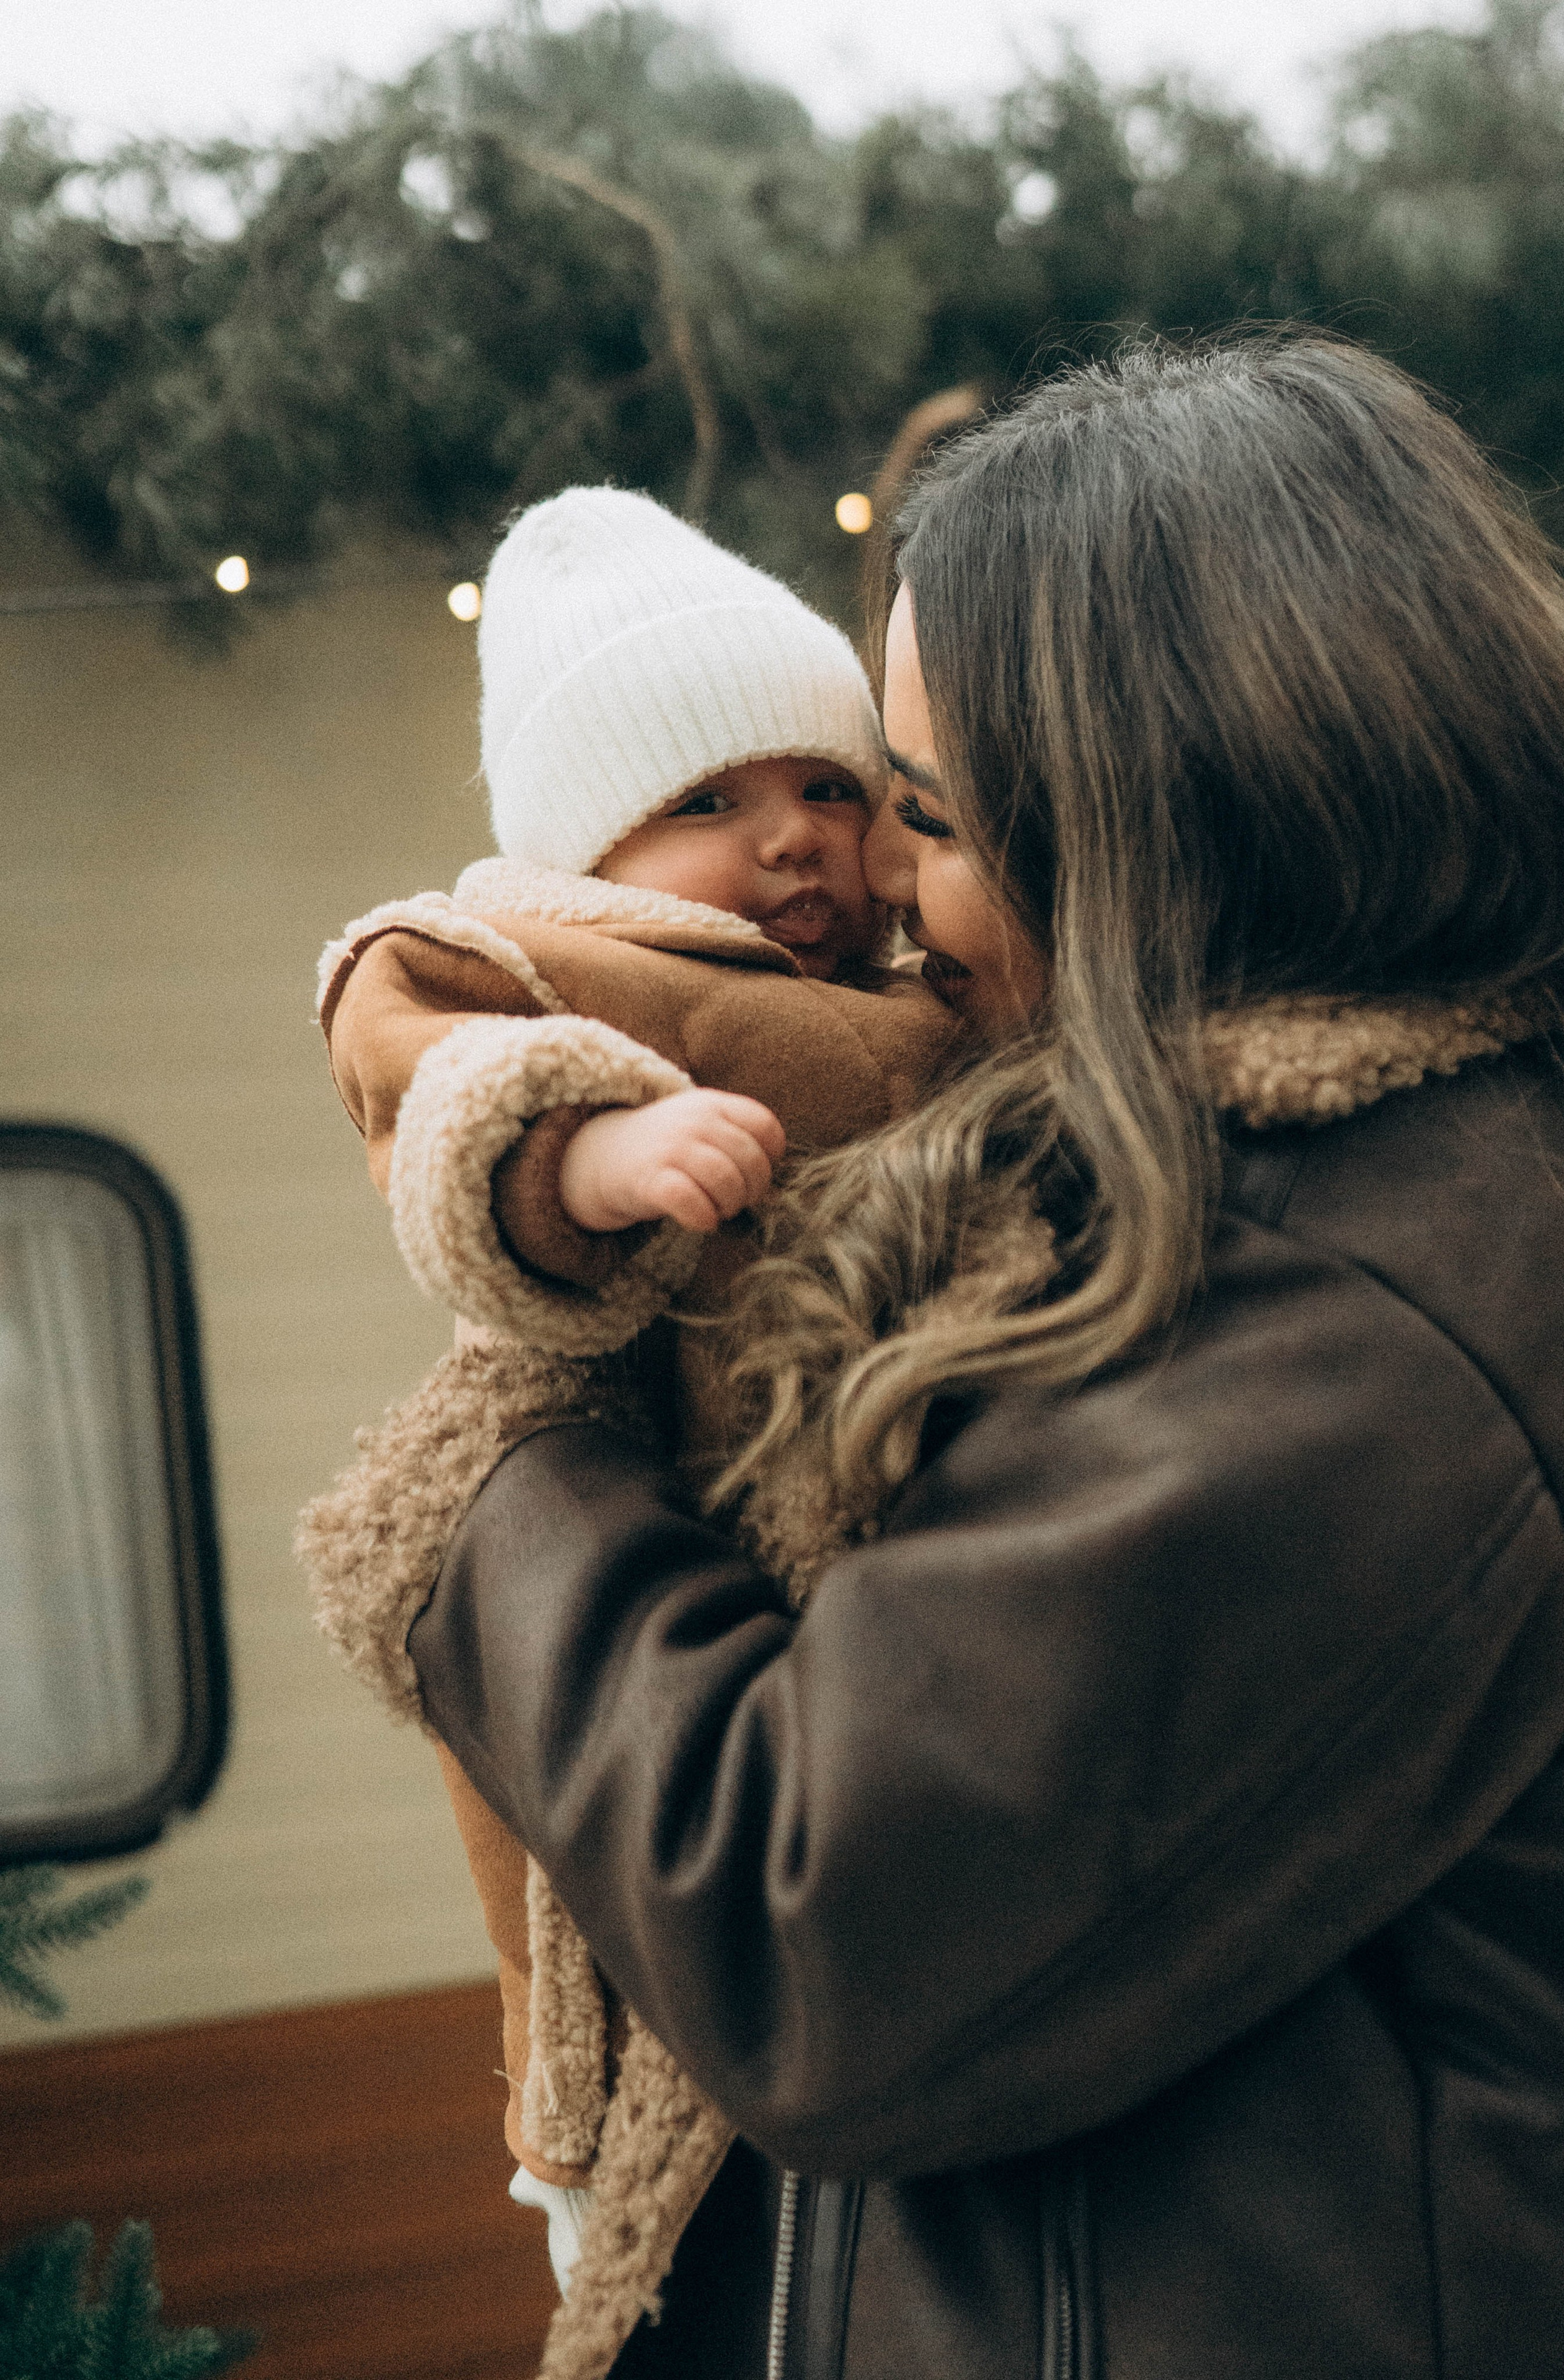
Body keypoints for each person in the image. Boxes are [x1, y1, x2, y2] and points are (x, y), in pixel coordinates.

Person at [367, 333, 1564, 2380]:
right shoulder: (1219, 1207)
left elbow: (810, 1931)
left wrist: (503, 1462)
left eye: (915, 813)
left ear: (1163, 813)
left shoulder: (1365, 1316)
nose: (897, 918)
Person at [299, 487, 958, 2317]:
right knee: (576, 1900)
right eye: (707, 806)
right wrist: (585, 1149)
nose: (792, 845)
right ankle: (569, 2150)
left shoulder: (920, 988)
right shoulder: (545, 958)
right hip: (644, 1446)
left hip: (862, 1511)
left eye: (828, 785)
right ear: (591, 841)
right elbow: (401, 1050)